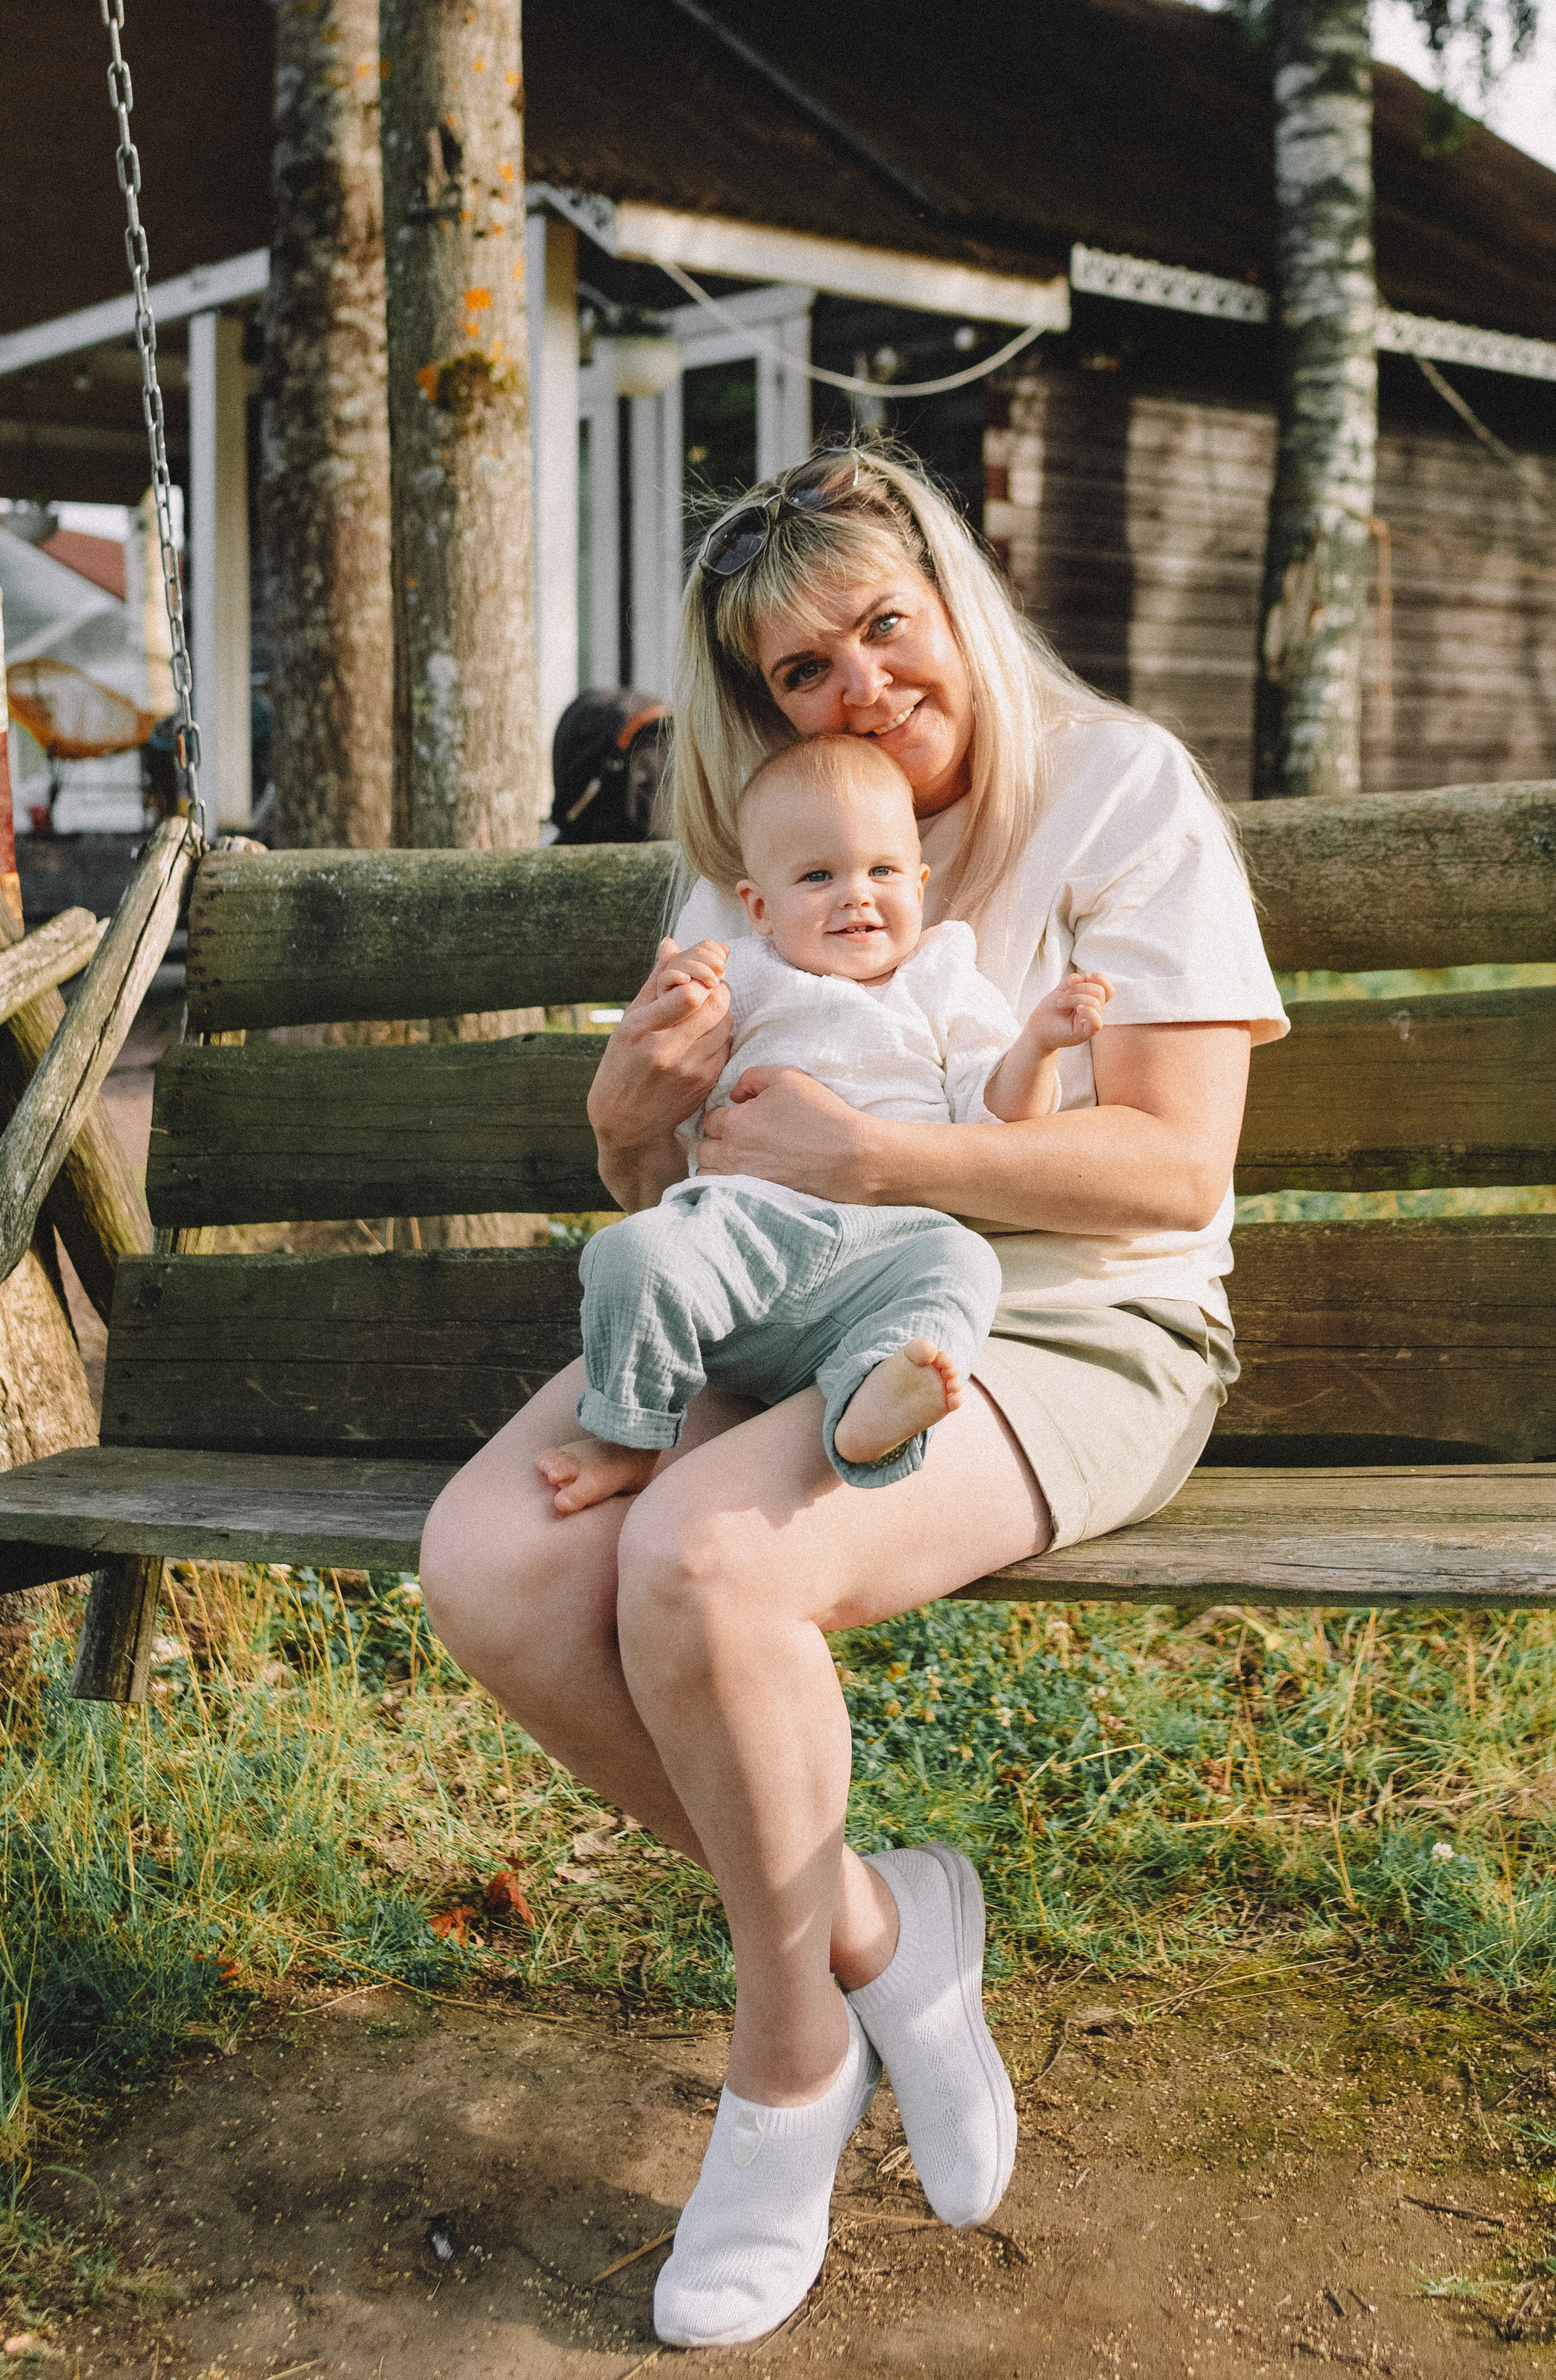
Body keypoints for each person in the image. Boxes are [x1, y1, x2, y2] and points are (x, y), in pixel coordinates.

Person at [419, 441, 1288, 2352]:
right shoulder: (766, 843)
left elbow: (1166, 1172)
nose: (856, 690)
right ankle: (882, 1927)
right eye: (799, 673)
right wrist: (625, 1118)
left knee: (702, 1562)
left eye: (881, 628)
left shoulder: (1118, 793)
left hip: (1062, 1327)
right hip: (785, 1297)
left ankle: (789, 2055)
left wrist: (882, 1163)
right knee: (485, 1564)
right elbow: (700, 1179)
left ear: (950, 596)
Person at [571, 726, 1115, 1482]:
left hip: (886, 1246)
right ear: (759, 909)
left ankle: (867, 1397)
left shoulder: (941, 977)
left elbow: (995, 1111)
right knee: (631, 1252)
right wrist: (679, 994)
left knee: (962, 1262)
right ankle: (627, 1440)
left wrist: (1038, 1046)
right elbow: (675, 1072)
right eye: (819, 876)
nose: (856, 893)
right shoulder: (748, 976)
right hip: (742, 1237)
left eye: (882, 869)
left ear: (919, 887)